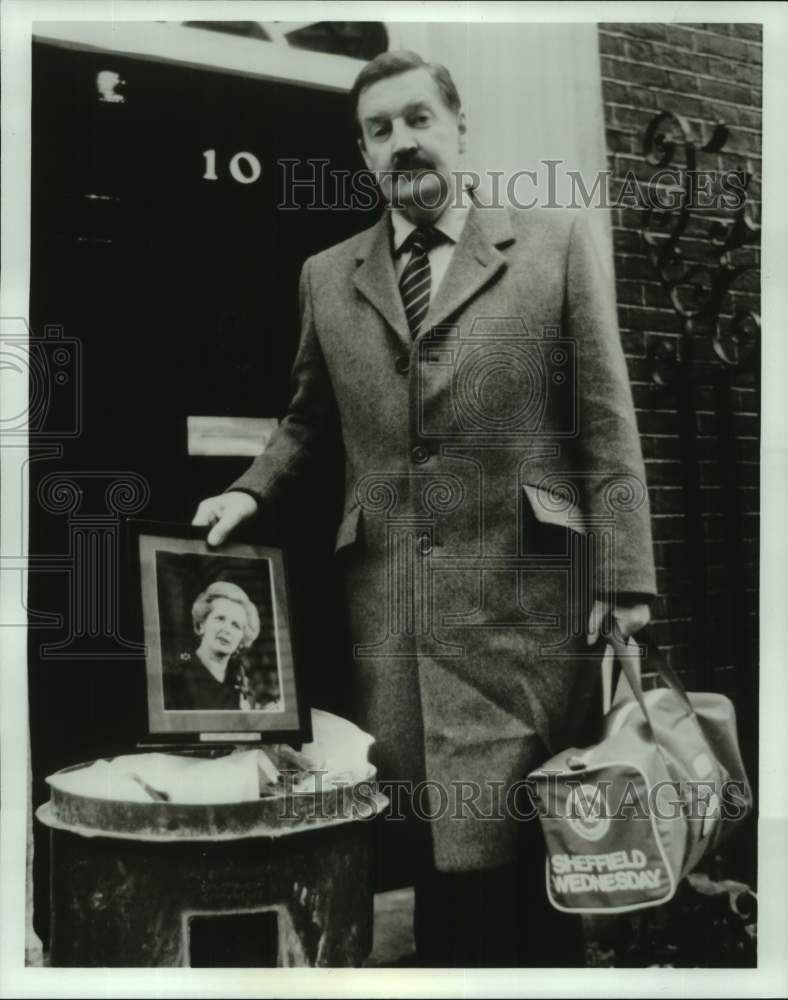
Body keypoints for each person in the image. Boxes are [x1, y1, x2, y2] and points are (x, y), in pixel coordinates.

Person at [193, 50, 656, 966]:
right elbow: (308, 420)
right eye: (379, 129)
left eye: (416, 120)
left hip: (526, 611)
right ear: (363, 153)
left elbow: (605, 422)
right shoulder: (328, 278)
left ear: (456, 127)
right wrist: (249, 489)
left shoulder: (552, 245)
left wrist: (626, 579)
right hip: (396, 614)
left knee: (535, 851)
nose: (401, 142)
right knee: (438, 854)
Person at [163, 580, 261, 711]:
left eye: (235, 625)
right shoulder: (174, 679)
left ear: (242, 640)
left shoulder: (242, 685)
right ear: (201, 625)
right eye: (220, 618)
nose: (227, 630)